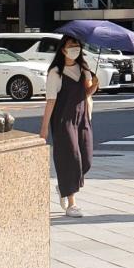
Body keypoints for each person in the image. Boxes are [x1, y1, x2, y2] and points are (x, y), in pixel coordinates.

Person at [40, 36, 99, 218]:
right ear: (63, 49)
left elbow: (86, 91)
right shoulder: (56, 72)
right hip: (63, 120)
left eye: (78, 46)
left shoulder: (84, 68)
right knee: (71, 159)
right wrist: (43, 129)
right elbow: (50, 101)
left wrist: (94, 85)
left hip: (82, 118)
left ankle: (63, 186)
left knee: (86, 160)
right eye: (71, 46)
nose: (75, 49)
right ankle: (71, 204)